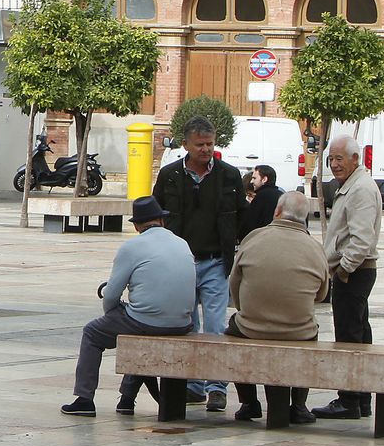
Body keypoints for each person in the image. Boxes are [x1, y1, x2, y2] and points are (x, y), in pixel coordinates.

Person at [62, 196, 195, 417]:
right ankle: (126, 398)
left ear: (136, 225)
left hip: (145, 321)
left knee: (93, 332)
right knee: (139, 328)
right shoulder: (182, 243)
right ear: (162, 221)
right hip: (182, 323)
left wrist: (112, 314)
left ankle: (84, 399)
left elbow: (111, 294)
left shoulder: (132, 246)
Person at [153, 116, 247, 412]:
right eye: (200, 145)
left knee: (216, 326)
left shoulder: (228, 175)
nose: (206, 150)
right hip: (180, 263)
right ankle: (192, 385)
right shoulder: (169, 175)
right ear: (186, 145)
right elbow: (157, 214)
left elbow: (241, 215)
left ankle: (217, 387)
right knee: (187, 323)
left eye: (210, 144)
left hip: (215, 262)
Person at [226, 190, 329, 423]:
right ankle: (299, 405)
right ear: (304, 218)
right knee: (311, 337)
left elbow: (234, 282)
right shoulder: (314, 248)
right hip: (298, 330)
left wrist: (246, 309)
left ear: (277, 211)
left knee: (233, 333)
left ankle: (249, 402)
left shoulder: (253, 238)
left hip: (251, 327)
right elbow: (321, 294)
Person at [312, 133, 383, 420]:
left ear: (355, 159)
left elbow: (361, 240)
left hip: (354, 273)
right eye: (330, 159)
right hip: (353, 272)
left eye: (339, 158)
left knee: (349, 337)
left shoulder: (360, 190)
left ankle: (349, 399)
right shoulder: (351, 186)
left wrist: (343, 270)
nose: (334, 164)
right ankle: (360, 397)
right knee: (358, 333)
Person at [242, 164, 282, 236]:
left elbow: (251, 224)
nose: (251, 181)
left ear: (264, 179)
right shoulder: (281, 195)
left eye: (254, 178)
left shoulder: (260, 197)